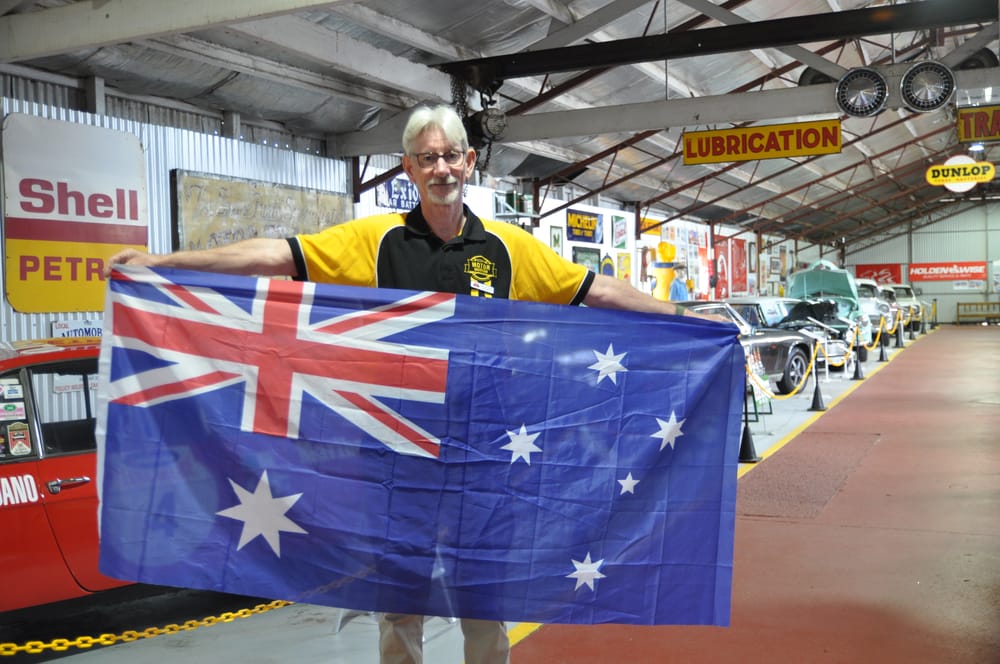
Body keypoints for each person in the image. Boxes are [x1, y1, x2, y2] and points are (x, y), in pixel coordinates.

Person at [105, 104, 721, 664]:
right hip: (397, 455)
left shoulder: (509, 248)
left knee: (484, 592)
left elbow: (598, 290)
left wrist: (685, 317)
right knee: (398, 599)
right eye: (427, 158)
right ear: (408, 167)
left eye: (450, 156)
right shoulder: (375, 241)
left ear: (469, 162)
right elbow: (276, 256)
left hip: (485, 456)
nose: (440, 169)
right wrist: (163, 263)